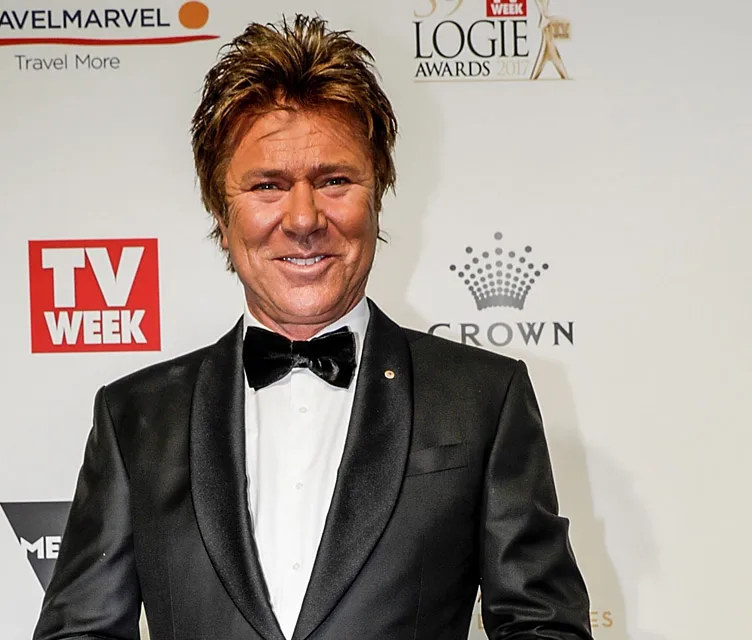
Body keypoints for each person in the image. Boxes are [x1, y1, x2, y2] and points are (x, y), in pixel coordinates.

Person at [33, 14, 592, 640]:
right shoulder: (135, 416)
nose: (303, 219)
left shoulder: (482, 399)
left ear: (377, 193)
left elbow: (545, 628)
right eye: (267, 185)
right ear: (222, 214)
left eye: (333, 181)